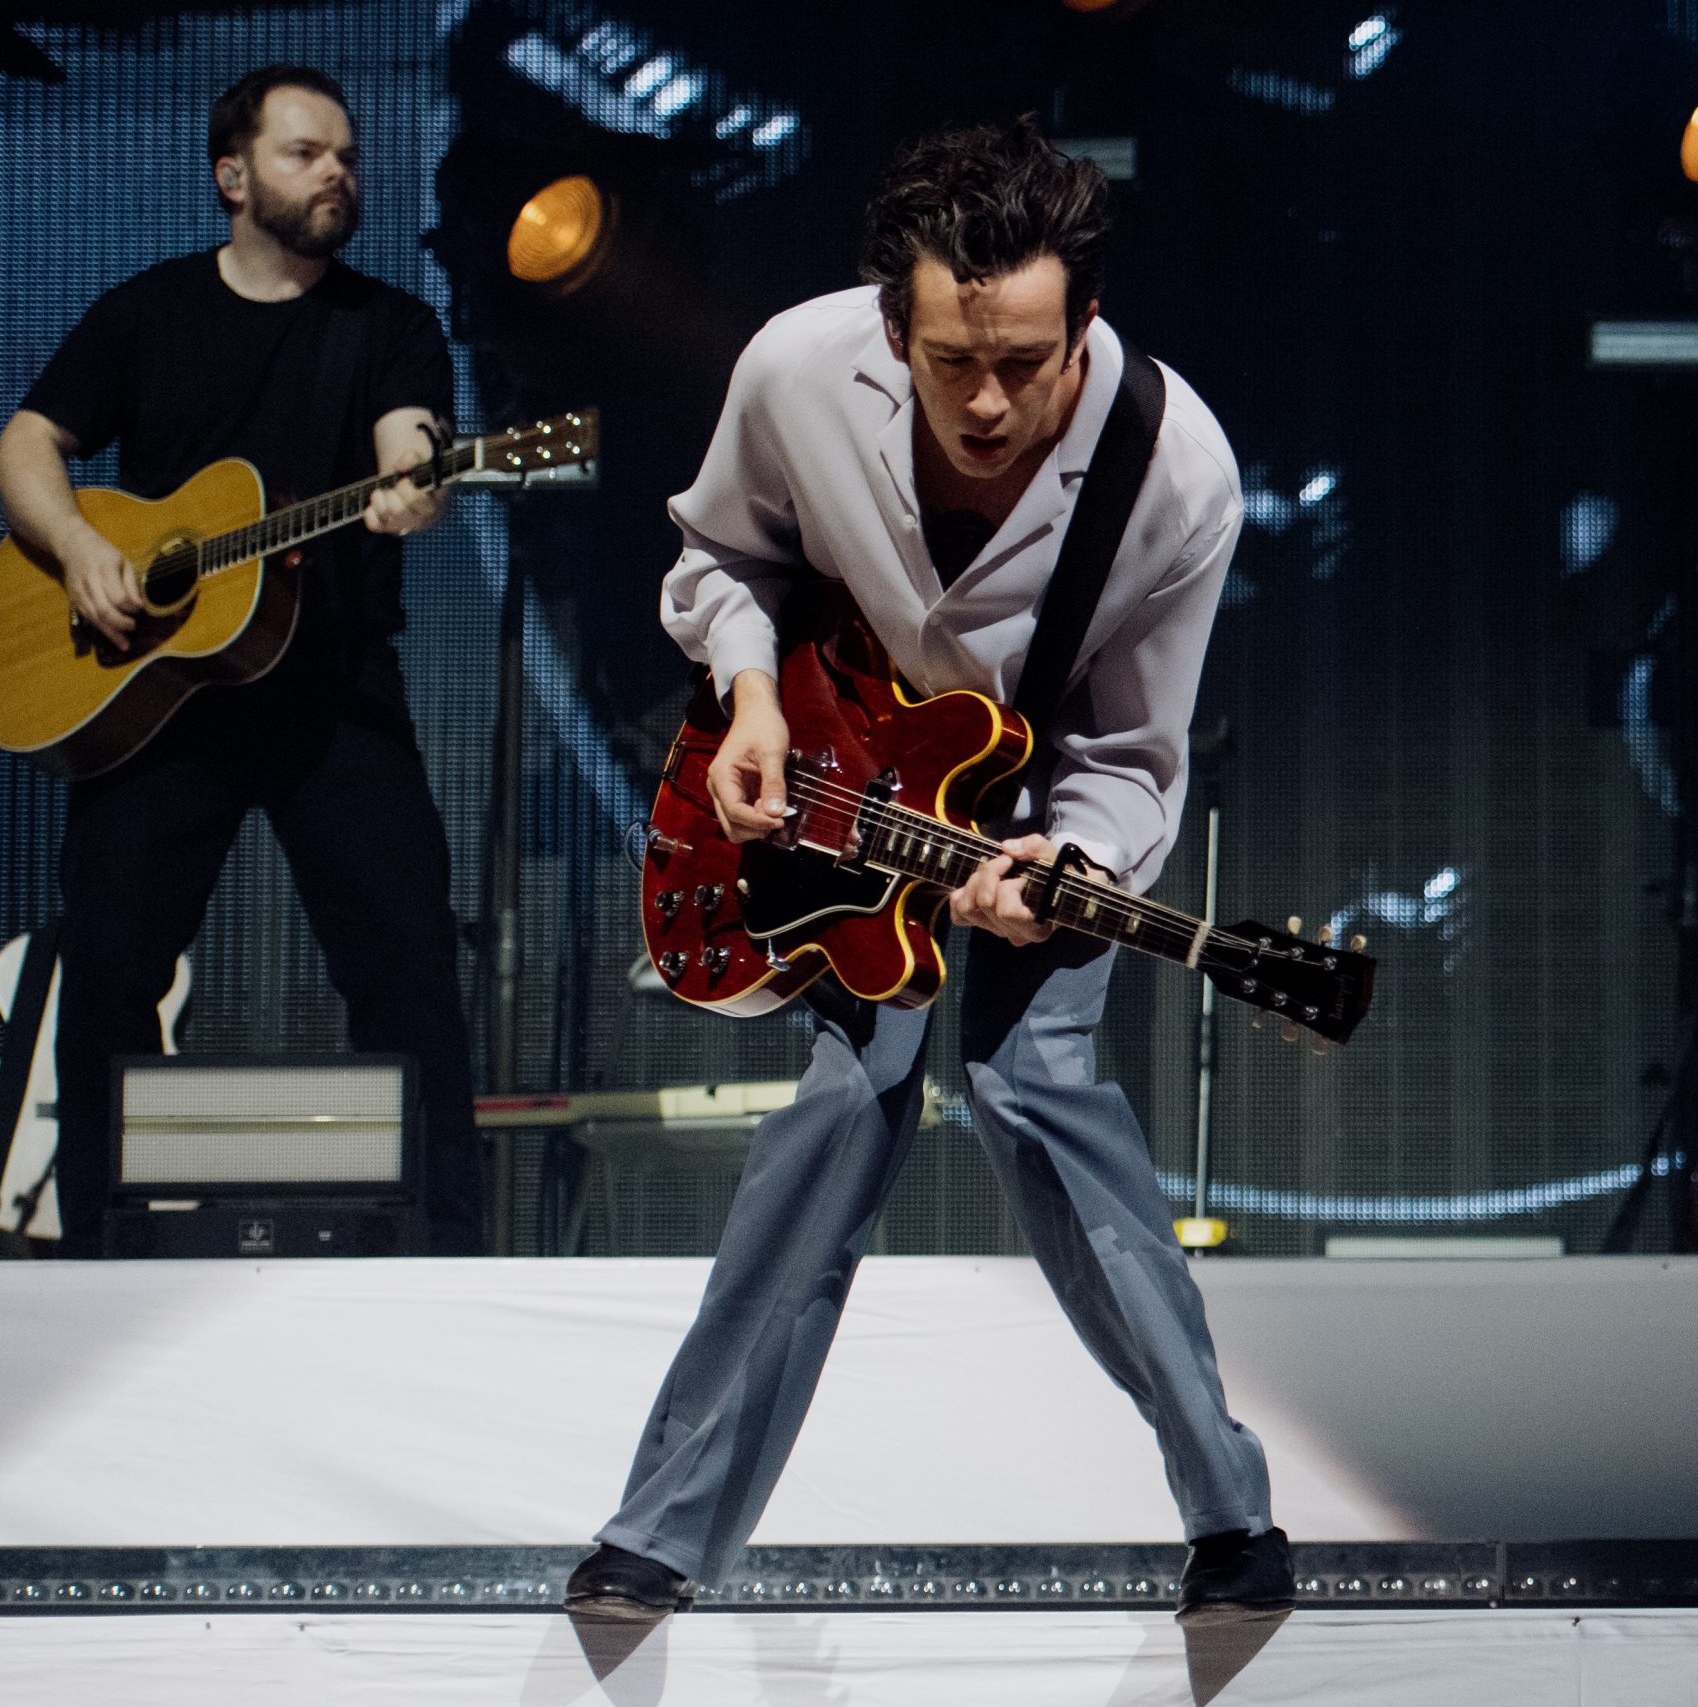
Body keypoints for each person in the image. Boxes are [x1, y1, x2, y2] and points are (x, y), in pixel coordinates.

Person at [563, 119, 1289, 1625]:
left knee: (1037, 1090)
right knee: (845, 1104)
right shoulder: (794, 369)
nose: (988, 399)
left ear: (1083, 322)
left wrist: (1063, 862)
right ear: (894, 328)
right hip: (835, 764)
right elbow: (719, 558)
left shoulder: (1178, 475)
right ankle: (659, 1534)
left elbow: (1131, 751)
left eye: (1025, 361)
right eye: (954, 360)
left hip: (1037, 807)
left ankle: (1231, 1519)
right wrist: (750, 696)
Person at [0, 65, 484, 1256]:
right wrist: (82, 551)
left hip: (332, 696)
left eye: (348, 157)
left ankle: (444, 1252)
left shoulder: (390, 327)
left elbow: (411, 442)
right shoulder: (147, 314)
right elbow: (23, 446)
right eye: (306, 153)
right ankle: (101, 1250)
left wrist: (417, 483)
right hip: (158, 698)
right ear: (232, 176)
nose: (337, 173)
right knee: (108, 967)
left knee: (408, 961)